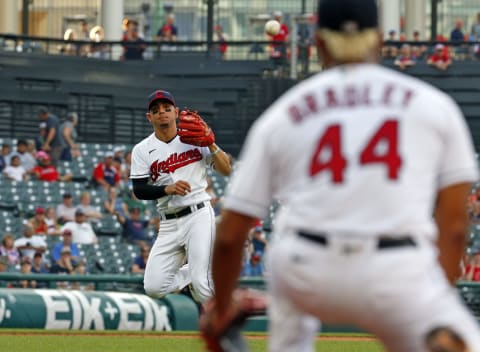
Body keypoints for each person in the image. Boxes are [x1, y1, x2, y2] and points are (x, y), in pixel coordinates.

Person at [202, 0, 480, 351]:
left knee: (290, 320)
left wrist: (222, 309)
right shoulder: (433, 105)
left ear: (318, 44)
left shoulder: (284, 113)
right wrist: (436, 306)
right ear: (379, 40)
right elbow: (454, 227)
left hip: (306, 266)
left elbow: (230, 235)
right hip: (396, 268)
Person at [130, 89, 232, 303]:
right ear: (149, 117)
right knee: (154, 287)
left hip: (198, 215)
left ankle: (226, 327)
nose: (162, 113)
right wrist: (166, 189)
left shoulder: (194, 138)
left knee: (203, 286)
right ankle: (194, 270)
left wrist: (211, 144)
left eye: (167, 109)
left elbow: (226, 169)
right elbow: (139, 190)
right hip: (168, 222)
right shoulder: (142, 150)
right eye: (156, 110)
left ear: (176, 112)